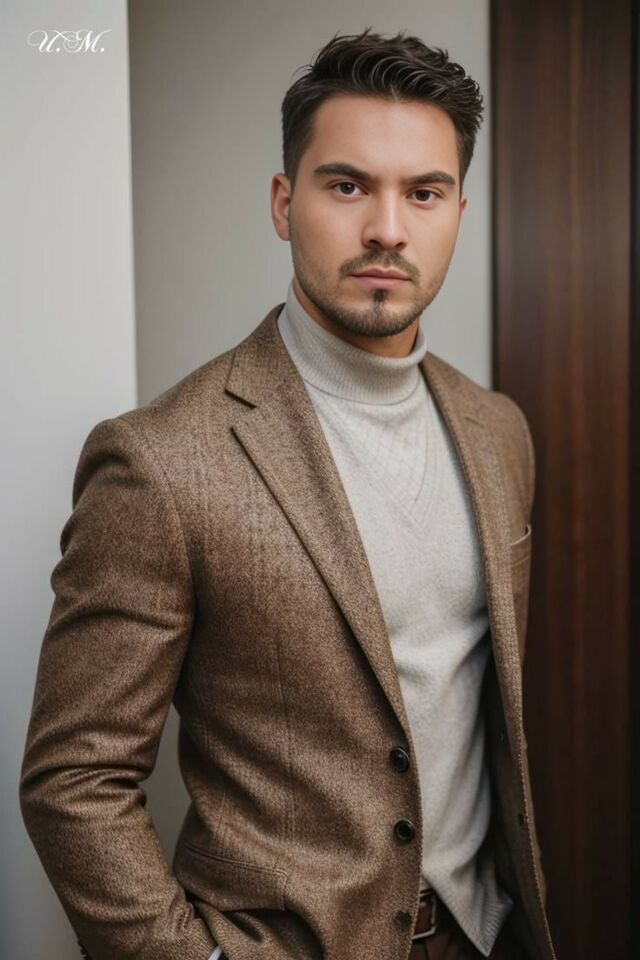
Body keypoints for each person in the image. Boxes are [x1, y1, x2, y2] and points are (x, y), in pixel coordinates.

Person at [19, 27, 557, 960]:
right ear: (283, 202)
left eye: (423, 192)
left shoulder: (498, 430)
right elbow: (74, 777)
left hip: (489, 934)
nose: (387, 228)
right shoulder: (161, 461)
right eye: (347, 186)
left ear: (458, 211)